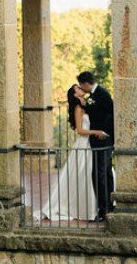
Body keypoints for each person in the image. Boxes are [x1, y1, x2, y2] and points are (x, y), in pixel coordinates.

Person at [38, 83, 97, 223]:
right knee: (85, 174)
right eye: (77, 88)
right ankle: (85, 209)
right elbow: (80, 131)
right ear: (75, 94)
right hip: (84, 144)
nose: (81, 88)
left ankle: (96, 206)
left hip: (92, 144)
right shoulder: (78, 108)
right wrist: (96, 132)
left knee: (90, 174)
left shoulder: (87, 104)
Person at [78, 70, 114, 222]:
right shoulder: (92, 96)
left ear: (86, 83)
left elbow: (111, 113)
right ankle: (106, 206)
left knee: (101, 173)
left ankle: (105, 208)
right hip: (96, 140)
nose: (81, 87)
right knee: (103, 172)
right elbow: (95, 112)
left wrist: (104, 132)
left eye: (81, 85)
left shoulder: (102, 93)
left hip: (103, 140)